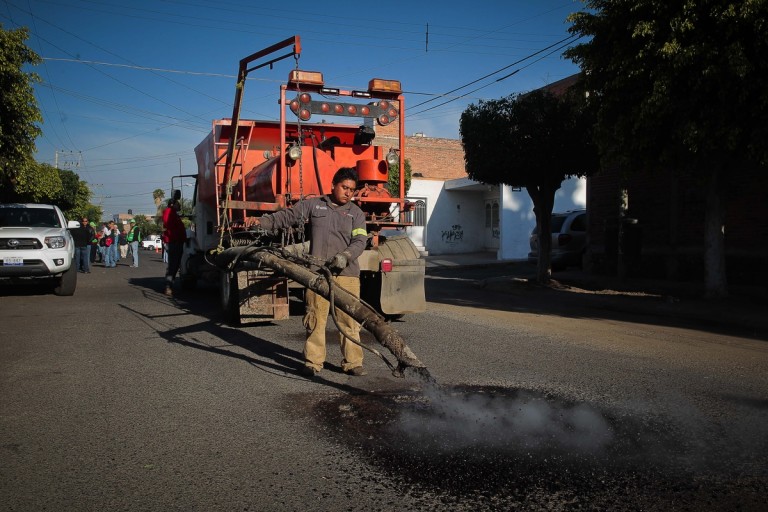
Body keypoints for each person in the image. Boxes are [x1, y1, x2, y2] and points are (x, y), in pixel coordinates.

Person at [250, 167, 368, 378]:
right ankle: (313, 362)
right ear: (333, 185)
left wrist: (346, 256)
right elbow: (288, 216)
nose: (348, 193)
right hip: (318, 274)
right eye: (344, 187)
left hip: (347, 275)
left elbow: (360, 241)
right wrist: (262, 222)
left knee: (349, 321)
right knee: (315, 319)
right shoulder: (314, 205)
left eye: (352, 189)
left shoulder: (356, 214)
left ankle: (353, 362)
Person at [162, 198, 187, 296]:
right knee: (173, 264)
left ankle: (169, 285)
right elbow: (170, 227)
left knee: (175, 264)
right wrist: (177, 238)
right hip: (174, 242)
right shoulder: (169, 212)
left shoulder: (172, 213)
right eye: (177, 204)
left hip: (176, 241)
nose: (179, 206)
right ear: (172, 205)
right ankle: (168, 286)